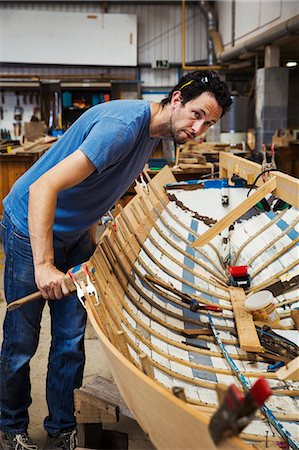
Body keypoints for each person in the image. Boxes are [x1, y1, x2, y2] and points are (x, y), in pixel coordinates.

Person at [0, 70, 232, 450]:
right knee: (22, 339)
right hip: (30, 224)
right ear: (176, 99)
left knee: (71, 339)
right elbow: (44, 187)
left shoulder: (152, 134)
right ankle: (11, 427)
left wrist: (89, 233)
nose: (200, 128)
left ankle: (60, 429)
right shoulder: (122, 128)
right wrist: (44, 265)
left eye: (209, 123)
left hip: (73, 232)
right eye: (197, 114)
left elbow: (98, 184)